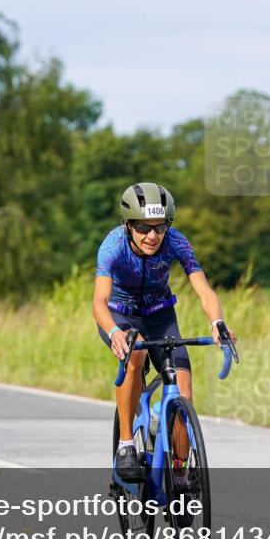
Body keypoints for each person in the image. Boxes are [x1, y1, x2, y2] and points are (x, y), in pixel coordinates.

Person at [93, 182, 236, 482]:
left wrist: (217, 323)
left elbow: (203, 289)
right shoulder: (113, 245)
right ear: (128, 225)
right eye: (143, 228)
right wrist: (114, 331)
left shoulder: (176, 242)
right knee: (136, 353)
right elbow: (99, 302)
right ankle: (126, 444)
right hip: (121, 316)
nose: (152, 236)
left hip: (160, 316)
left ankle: (180, 473)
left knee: (183, 391)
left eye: (160, 227)